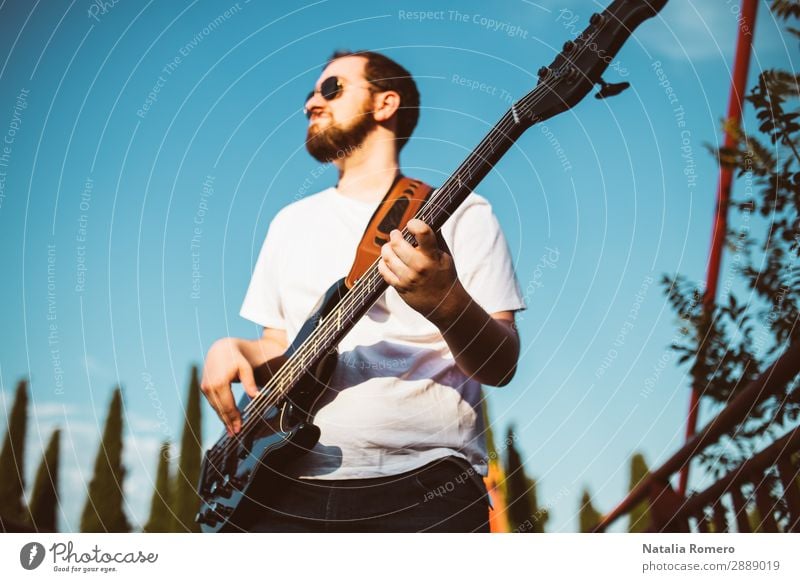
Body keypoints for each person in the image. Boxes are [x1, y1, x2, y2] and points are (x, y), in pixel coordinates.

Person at [200, 50, 526, 532]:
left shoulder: (462, 211)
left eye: (331, 89)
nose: (312, 102)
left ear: (385, 103)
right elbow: (283, 348)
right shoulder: (290, 223)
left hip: (423, 488)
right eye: (310, 94)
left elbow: (501, 363)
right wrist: (236, 348)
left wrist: (446, 302)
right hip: (280, 489)